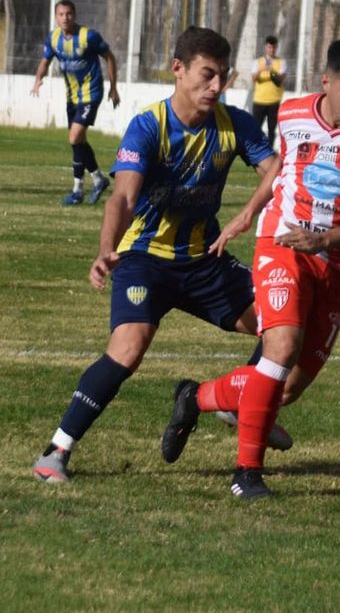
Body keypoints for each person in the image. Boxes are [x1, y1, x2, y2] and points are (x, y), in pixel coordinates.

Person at [160, 36, 340, 500]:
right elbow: (279, 171)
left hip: (336, 262)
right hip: (283, 245)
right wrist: (249, 213)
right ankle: (246, 474)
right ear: (325, 82)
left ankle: (196, 397)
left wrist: (326, 240)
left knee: (286, 388)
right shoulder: (293, 115)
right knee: (281, 347)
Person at [32, 27, 276, 484]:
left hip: (205, 259)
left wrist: (247, 215)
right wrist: (107, 250)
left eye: (223, 77)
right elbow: (122, 198)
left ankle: (238, 400)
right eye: (207, 75)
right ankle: (56, 451)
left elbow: (275, 170)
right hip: (144, 256)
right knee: (128, 348)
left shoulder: (235, 123)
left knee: (279, 324)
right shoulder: (149, 126)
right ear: (178, 69)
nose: (216, 87)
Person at [31, 0, 120, 206]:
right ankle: (98, 179)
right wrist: (38, 80)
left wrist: (113, 87)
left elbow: (109, 57)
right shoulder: (53, 38)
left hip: (91, 93)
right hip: (71, 97)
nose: (65, 18)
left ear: (75, 15)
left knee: (74, 137)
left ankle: (77, 190)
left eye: (69, 14)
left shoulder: (88, 36)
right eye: (61, 14)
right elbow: (45, 61)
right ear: (56, 17)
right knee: (78, 141)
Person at [250, 35, 287, 146]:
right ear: (265, 47)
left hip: (274, 101)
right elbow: (253, 78)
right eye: (269, 47)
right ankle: (254, 149)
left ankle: (269, 150)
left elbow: (281, 79)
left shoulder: (282, 62)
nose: (272, 50)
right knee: (256, 128)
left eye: (274, 47)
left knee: (272, 129)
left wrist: (272, 70)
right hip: (259, 100)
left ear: (277, 48)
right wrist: (261, 69)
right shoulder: (258, 62)